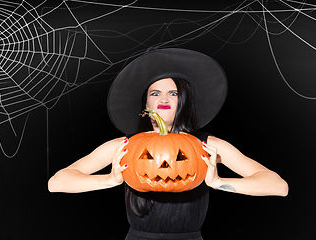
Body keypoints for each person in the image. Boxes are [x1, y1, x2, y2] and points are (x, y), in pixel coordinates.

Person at [48, 48, 288, 239]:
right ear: (145, 104)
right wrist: (109, 179)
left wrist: (219, 182)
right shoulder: (125, 146)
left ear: (183, 101)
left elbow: (278, 186)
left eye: (173, 93)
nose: (163, 99)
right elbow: (57, 183)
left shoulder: (206, 145)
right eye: (155, 93)